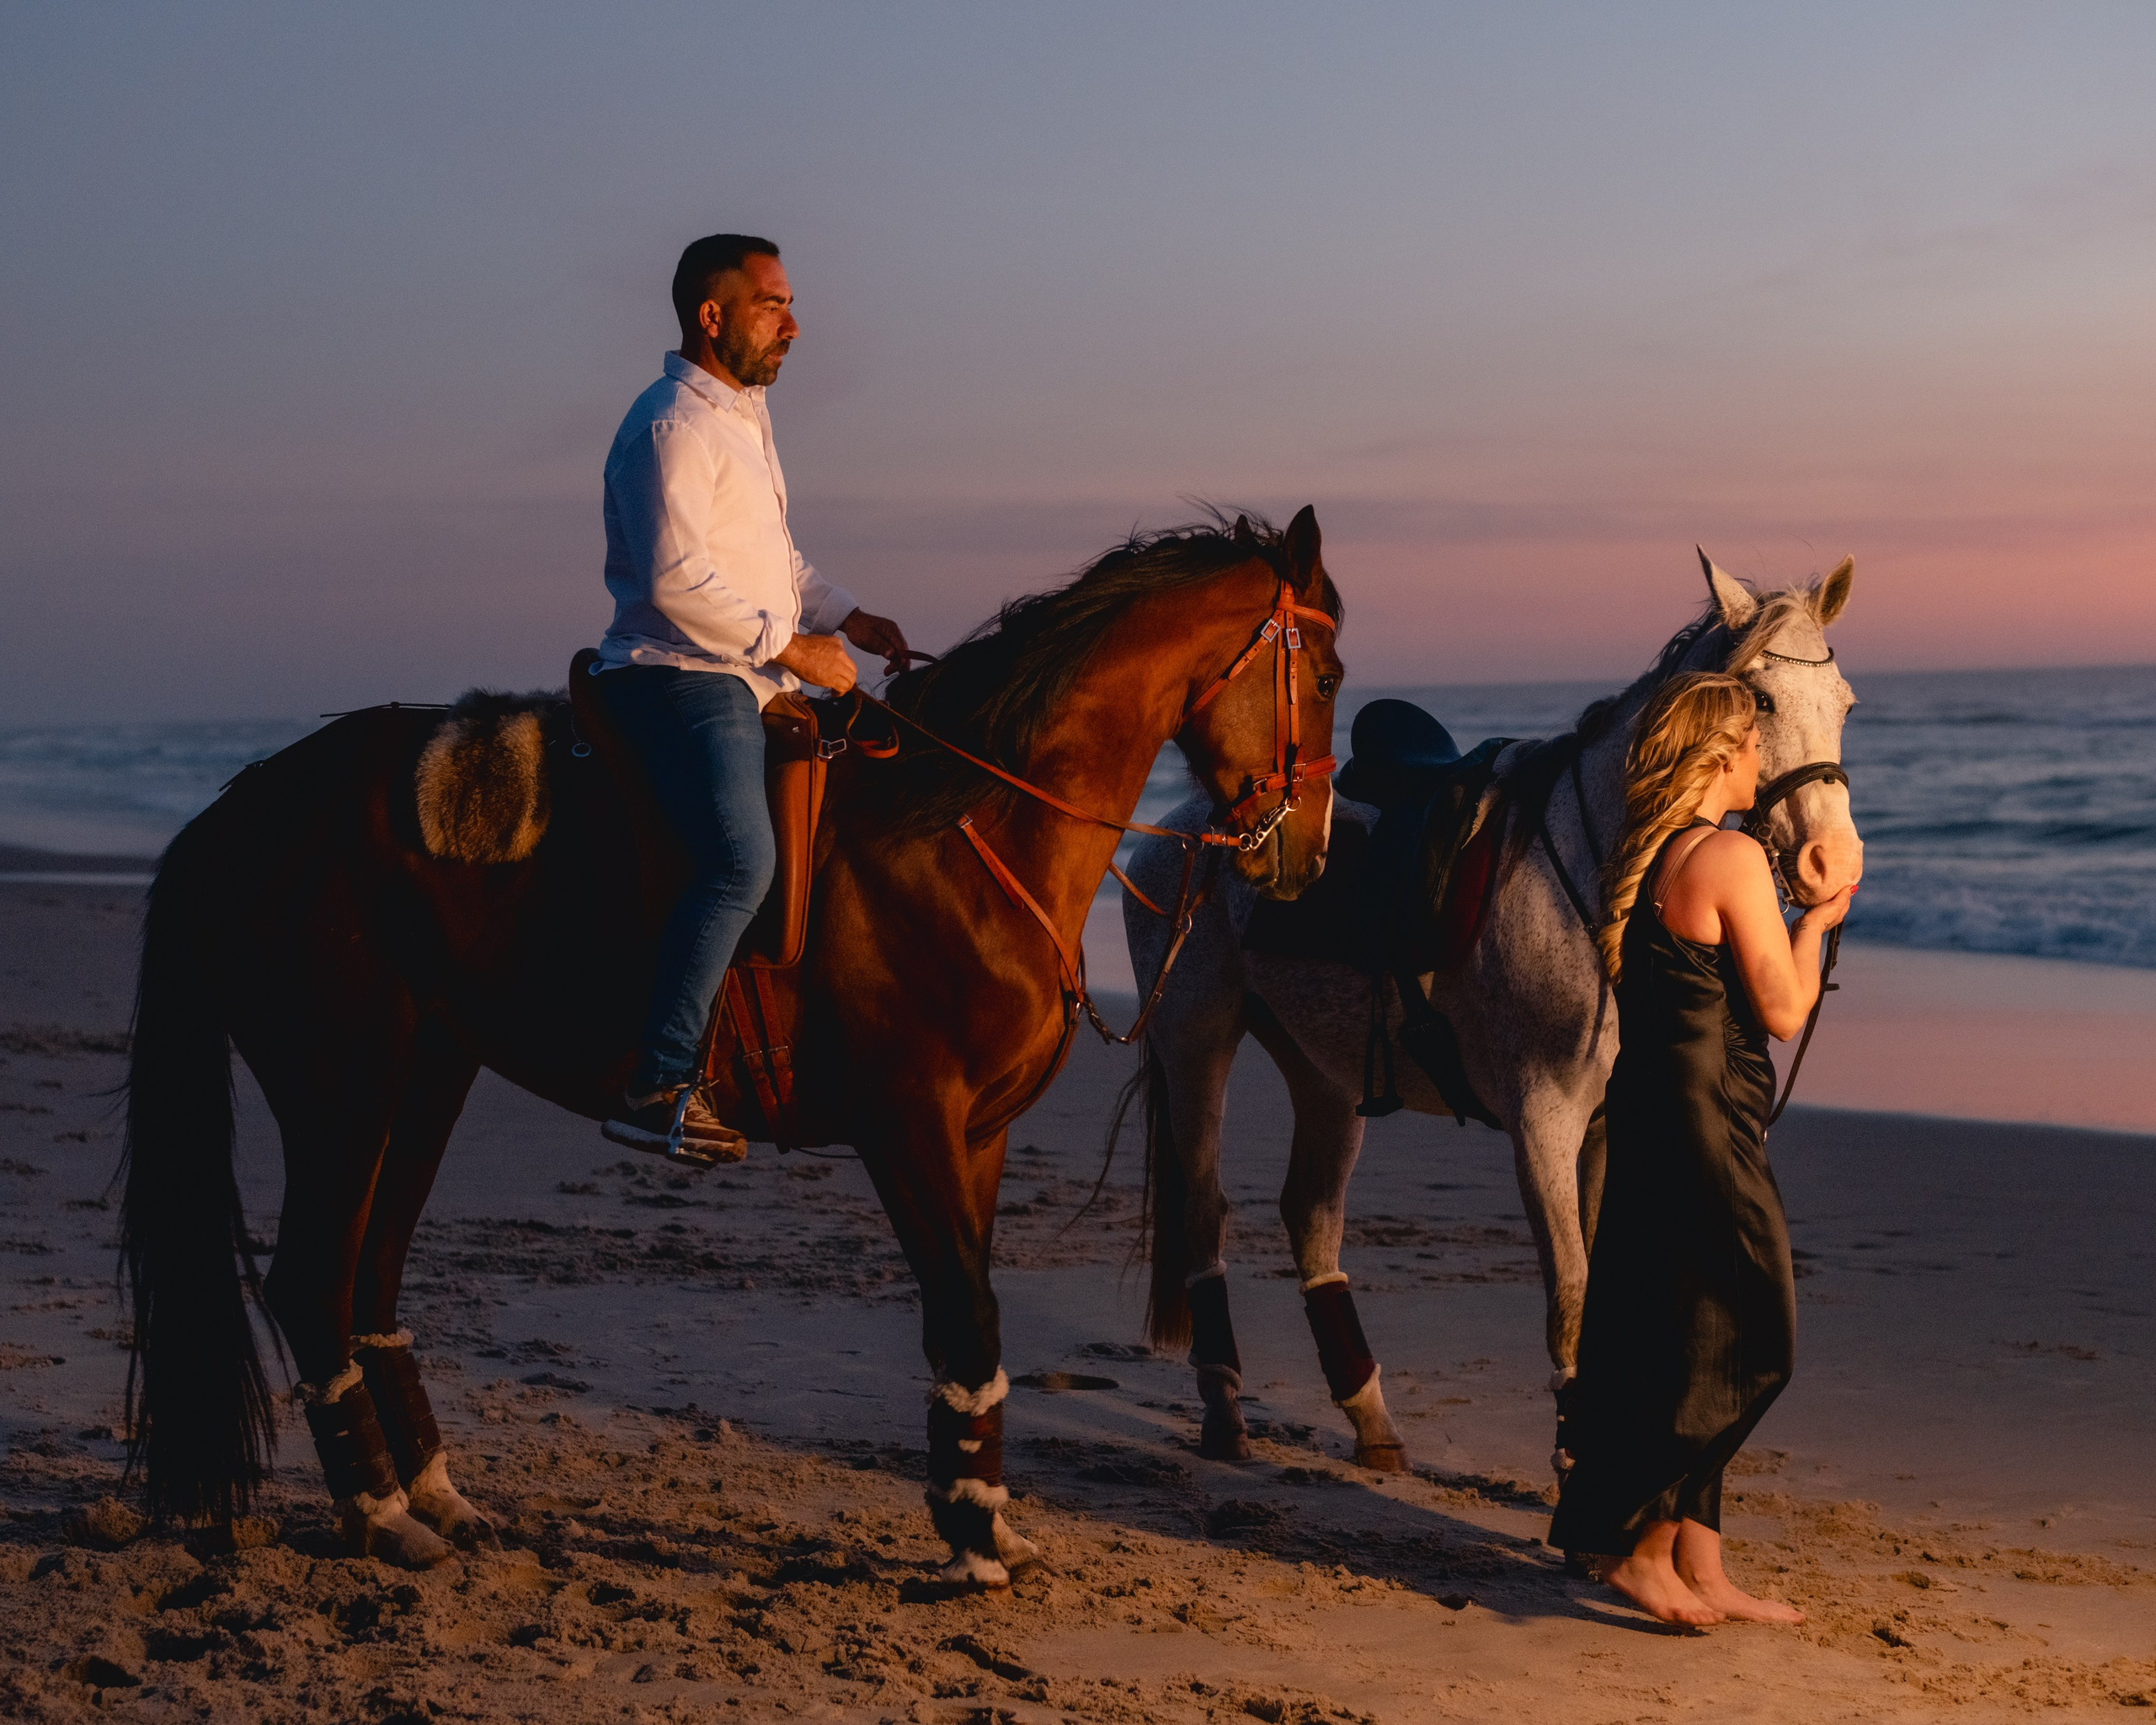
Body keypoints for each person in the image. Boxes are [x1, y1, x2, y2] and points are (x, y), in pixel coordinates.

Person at [591, 232, 910, 1158]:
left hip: (751, 665)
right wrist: (796, 650)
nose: (795, 326)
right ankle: (657, 1081)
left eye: (790, 303)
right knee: (739, 862)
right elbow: (673, 580)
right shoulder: (670, 426)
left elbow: (772, 560)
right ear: (712, 314)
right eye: (774, 304)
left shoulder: (740, 418)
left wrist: (847, 616)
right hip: (680, 674)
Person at [1550, 670, 1854, 1626]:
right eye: (1755, 747)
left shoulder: (1649, 855)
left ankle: (1703, 1564)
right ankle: (1640, 1547)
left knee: (1678, 1321)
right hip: (1706, 1112)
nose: (1766, 763)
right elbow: (1781, 1008)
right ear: (1720, 754)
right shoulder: (1723, 855)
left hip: (1648, 1106)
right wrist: (1818, 920)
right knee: (1753, 1332)